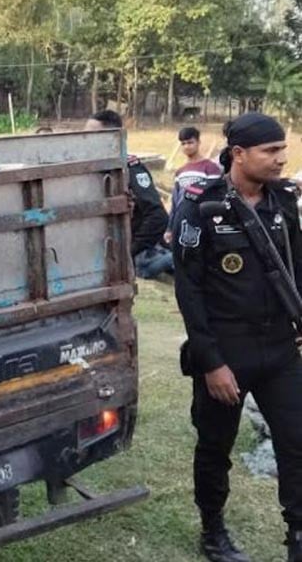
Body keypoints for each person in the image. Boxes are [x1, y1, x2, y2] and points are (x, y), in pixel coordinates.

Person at [171, 112, 302, 562]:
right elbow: (188, 291)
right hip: (226, 351)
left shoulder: (283, 202)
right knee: (215, 447)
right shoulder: (201, 207)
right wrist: (211, 363)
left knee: (297, 441)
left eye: (282, 149)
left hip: (279, 349)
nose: (281, 158)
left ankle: (297, 537)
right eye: (271, 151)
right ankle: (213, 531)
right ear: (239, 154)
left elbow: (296, 267)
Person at [85, 110, 173, 278]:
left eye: (91, 135)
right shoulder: (92, 167)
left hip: (127, 255)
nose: (85, 140)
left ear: (112, 137)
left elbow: (157, 216)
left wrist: (129, 250)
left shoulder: (129, 168)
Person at [167, 126, 223, 238]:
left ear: (198, 142)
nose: (187, 146)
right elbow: (175, 202)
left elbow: (216, 197)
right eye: (183, 143)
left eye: (190, 142)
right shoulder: (180, 172)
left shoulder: (210, 168)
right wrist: (170, 228)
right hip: (182, 220)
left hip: (203, 222)